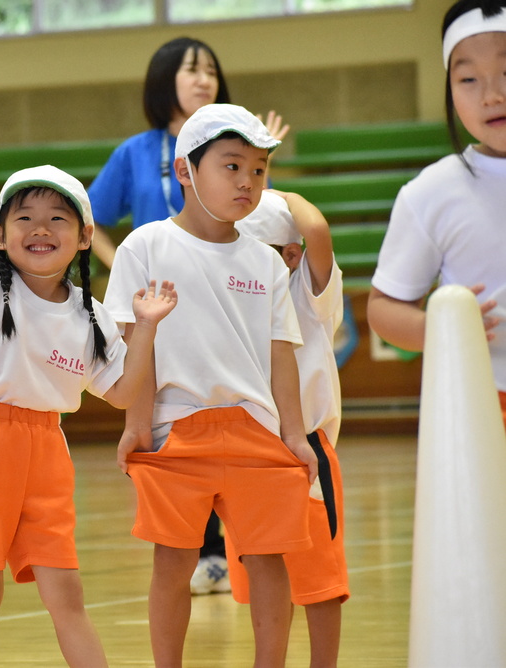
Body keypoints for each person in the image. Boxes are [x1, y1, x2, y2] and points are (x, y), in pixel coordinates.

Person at [0, 164, 177, 667]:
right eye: (25, 217)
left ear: (84, 237)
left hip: (48, 452)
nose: (40, 228)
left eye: (58, 218)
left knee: (67, 596)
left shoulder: (90, 314)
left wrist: (145, 328)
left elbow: (121, 393)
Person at [103, 103, 318, 668]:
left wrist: (294, 436)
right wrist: (135, 424)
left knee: (268, 561)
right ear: (184, 172)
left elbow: (281, 356)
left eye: (258, 170)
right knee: (172, 564)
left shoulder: (267, 263)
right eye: (231, 166)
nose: (247, 182)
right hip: (175, 431)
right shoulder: (143, 246)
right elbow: (133, 350)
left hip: (256, 432)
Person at [231, 190, 350, 668]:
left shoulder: (307, 296)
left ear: (291, 256)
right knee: (264, 583)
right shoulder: (230, 307)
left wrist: (278, 192)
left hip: (307, 458)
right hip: (245, 456)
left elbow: (317, 230)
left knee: (320, 584)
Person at [368, 1, 504, 397]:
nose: (492, 95)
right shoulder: (432, 192)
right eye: (468, 80)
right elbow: (383, 307)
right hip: (478, 400)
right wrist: (442, 327)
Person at [87, 36, 288, 269]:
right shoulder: (134, 152)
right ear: (163, 79)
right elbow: (88, 217)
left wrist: (261, 162)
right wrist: (121, 265)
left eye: (211, 73)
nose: (205, 81)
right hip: (154, 287)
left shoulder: (237, 149)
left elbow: (259, 223)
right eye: (193, 70)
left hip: (224, 278)